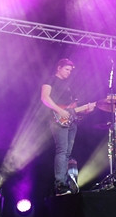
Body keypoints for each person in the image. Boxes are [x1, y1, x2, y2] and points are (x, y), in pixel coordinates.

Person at [41, 58, 96, 195]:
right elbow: (45, 98)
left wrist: (85, 109)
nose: (69, 73)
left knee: (67, 153)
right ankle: (60, 184)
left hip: (70, 120)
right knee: (62, 151)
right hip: (57, 119)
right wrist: (59, 111)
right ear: (59, 68)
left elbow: (72, 107)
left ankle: (66, 183)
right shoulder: (50, 80)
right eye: (67, 69)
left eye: (70, 70)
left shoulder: (69, 86)